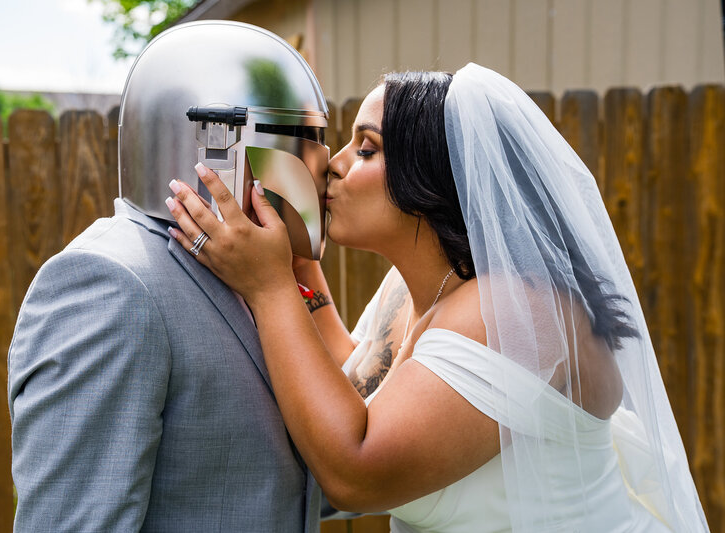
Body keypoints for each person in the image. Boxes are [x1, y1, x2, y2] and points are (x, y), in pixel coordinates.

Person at [166, 63, 710, 532]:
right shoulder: (418, 287)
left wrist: (269, 289)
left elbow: (355, 473)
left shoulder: (513, 311)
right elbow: (354, 379)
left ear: (435, 175)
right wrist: (295, 262)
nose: (334, 161)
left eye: (368, 148)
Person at [7, 21, 328, 531]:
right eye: (294, 140)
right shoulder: (108, 284)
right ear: (213, 146)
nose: (318, 169)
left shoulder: (252, 273)